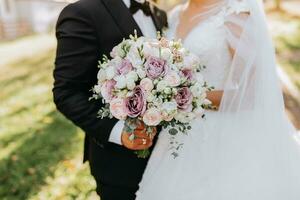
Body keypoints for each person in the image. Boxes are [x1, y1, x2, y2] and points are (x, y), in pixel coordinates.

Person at [136, 0, 300, 199]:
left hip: (224, 136)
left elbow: (251, 91)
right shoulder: (175, 14)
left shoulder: (234, 12)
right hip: (176, 138)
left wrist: (188, 96)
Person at [53, 0, 167, 199]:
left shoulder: (159, 14)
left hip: (167, 158)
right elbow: (67, 93)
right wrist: (118, 132)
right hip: (121, 167)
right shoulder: (82, 13)